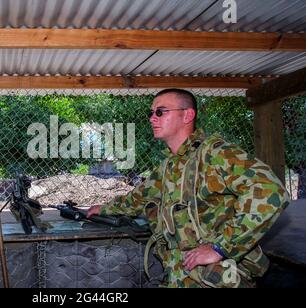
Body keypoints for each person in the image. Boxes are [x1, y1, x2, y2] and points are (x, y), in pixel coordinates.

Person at [87, 89, 290, 288]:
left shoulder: (214, 153)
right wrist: (103, 209)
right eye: (151, 112)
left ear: (187, 115)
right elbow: (138, 199)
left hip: (213, 277)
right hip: (179, 273)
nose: (152, 118)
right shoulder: (170, 165)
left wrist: (221, 248)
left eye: (160, 112)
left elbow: (270, 191)